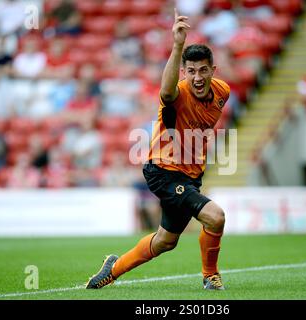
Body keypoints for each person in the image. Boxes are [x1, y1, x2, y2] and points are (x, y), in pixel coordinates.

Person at [86, 9, 230, 291]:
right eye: (191, 71)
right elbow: (166, 92)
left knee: (166, 240)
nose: (197, 77)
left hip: (189, 174)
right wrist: (177, 45)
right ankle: (210, 276)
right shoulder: (176, 94)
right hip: (163, 170)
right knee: (216, 216)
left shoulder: (223, 92)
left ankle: (111, 269)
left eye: (203, 70)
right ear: (183, 72)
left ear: (213, 71)